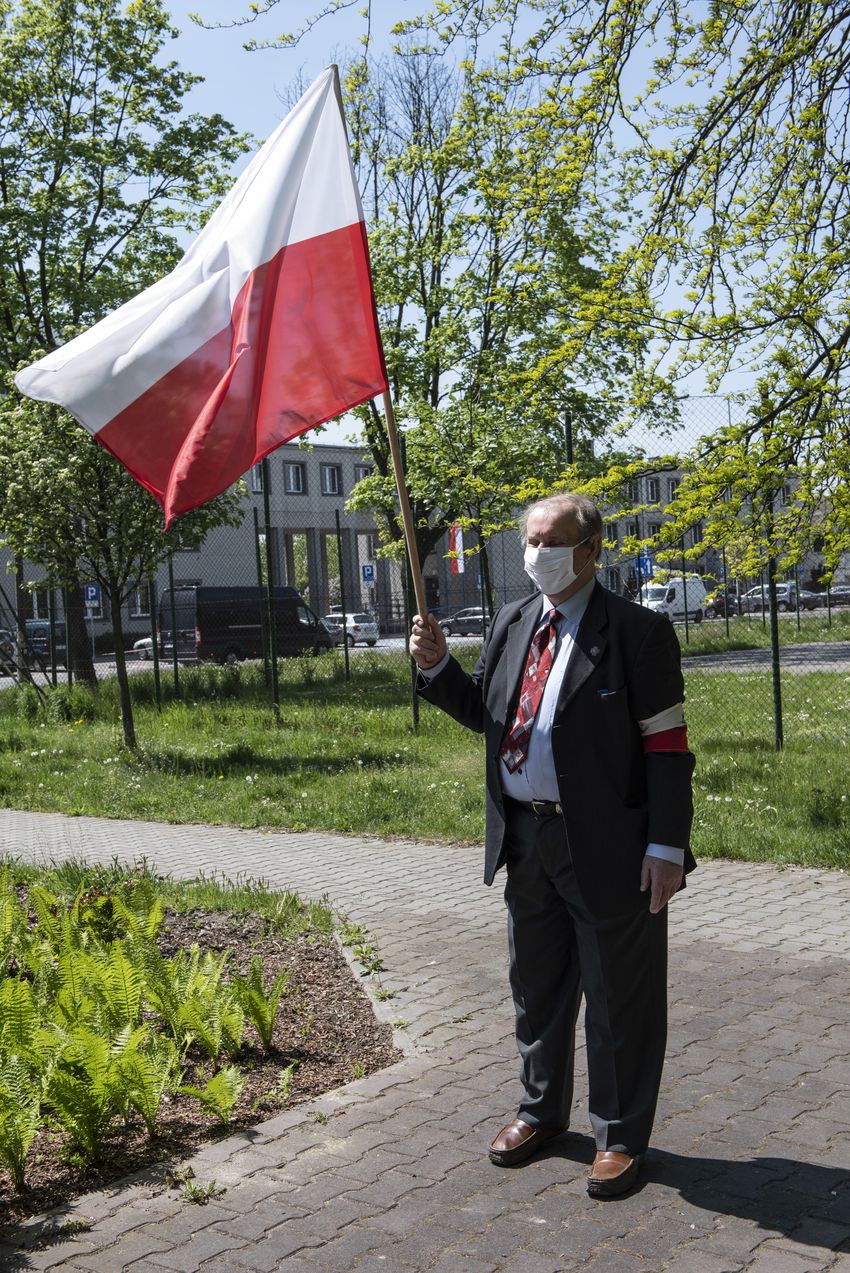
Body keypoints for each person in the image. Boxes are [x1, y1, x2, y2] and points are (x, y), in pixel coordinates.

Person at [409, 492, 695, 1198]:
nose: (536, 552)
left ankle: (620, 1136)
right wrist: (439, 667)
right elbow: (488, 712)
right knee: (535, 988)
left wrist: (665, 845)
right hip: (526, 837)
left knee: (617, 994)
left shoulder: (637, 632)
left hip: (609, 846)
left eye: (553, 539)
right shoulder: (513, 623)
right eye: (530, 538)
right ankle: (541, 1113)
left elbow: (666, 746)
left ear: (591, 549)